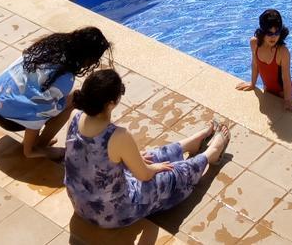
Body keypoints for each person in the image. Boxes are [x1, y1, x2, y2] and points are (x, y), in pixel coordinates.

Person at [63, 68, 230, 229]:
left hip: (81, 205)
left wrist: (136, 162)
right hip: (113, 214)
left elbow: (93, 161)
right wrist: (155, 169)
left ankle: (189, 144)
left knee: (146, 157)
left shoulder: (75, 117)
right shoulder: (118, 136)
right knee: (170, 172)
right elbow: (144, 175)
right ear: (111, 103)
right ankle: (210, 154)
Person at [0, 27, 111, 159]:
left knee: (49, 99)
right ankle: (32, 149)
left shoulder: (51, 44)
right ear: (88, 58)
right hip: (6, 118)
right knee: (74, 101)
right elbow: (39, 111)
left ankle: (37, 143)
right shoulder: (65, 78)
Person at [235, 9, 292, 114]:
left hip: (283, 92)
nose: (273, 37)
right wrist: (252, 83)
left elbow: (286, 79)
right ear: (262, 31)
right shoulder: (254, 43)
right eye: (269, 33)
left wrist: (288, 101)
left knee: (291, 109)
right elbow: (255, 64)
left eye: (277, 32)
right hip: (268, 88)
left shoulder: (282, 52)